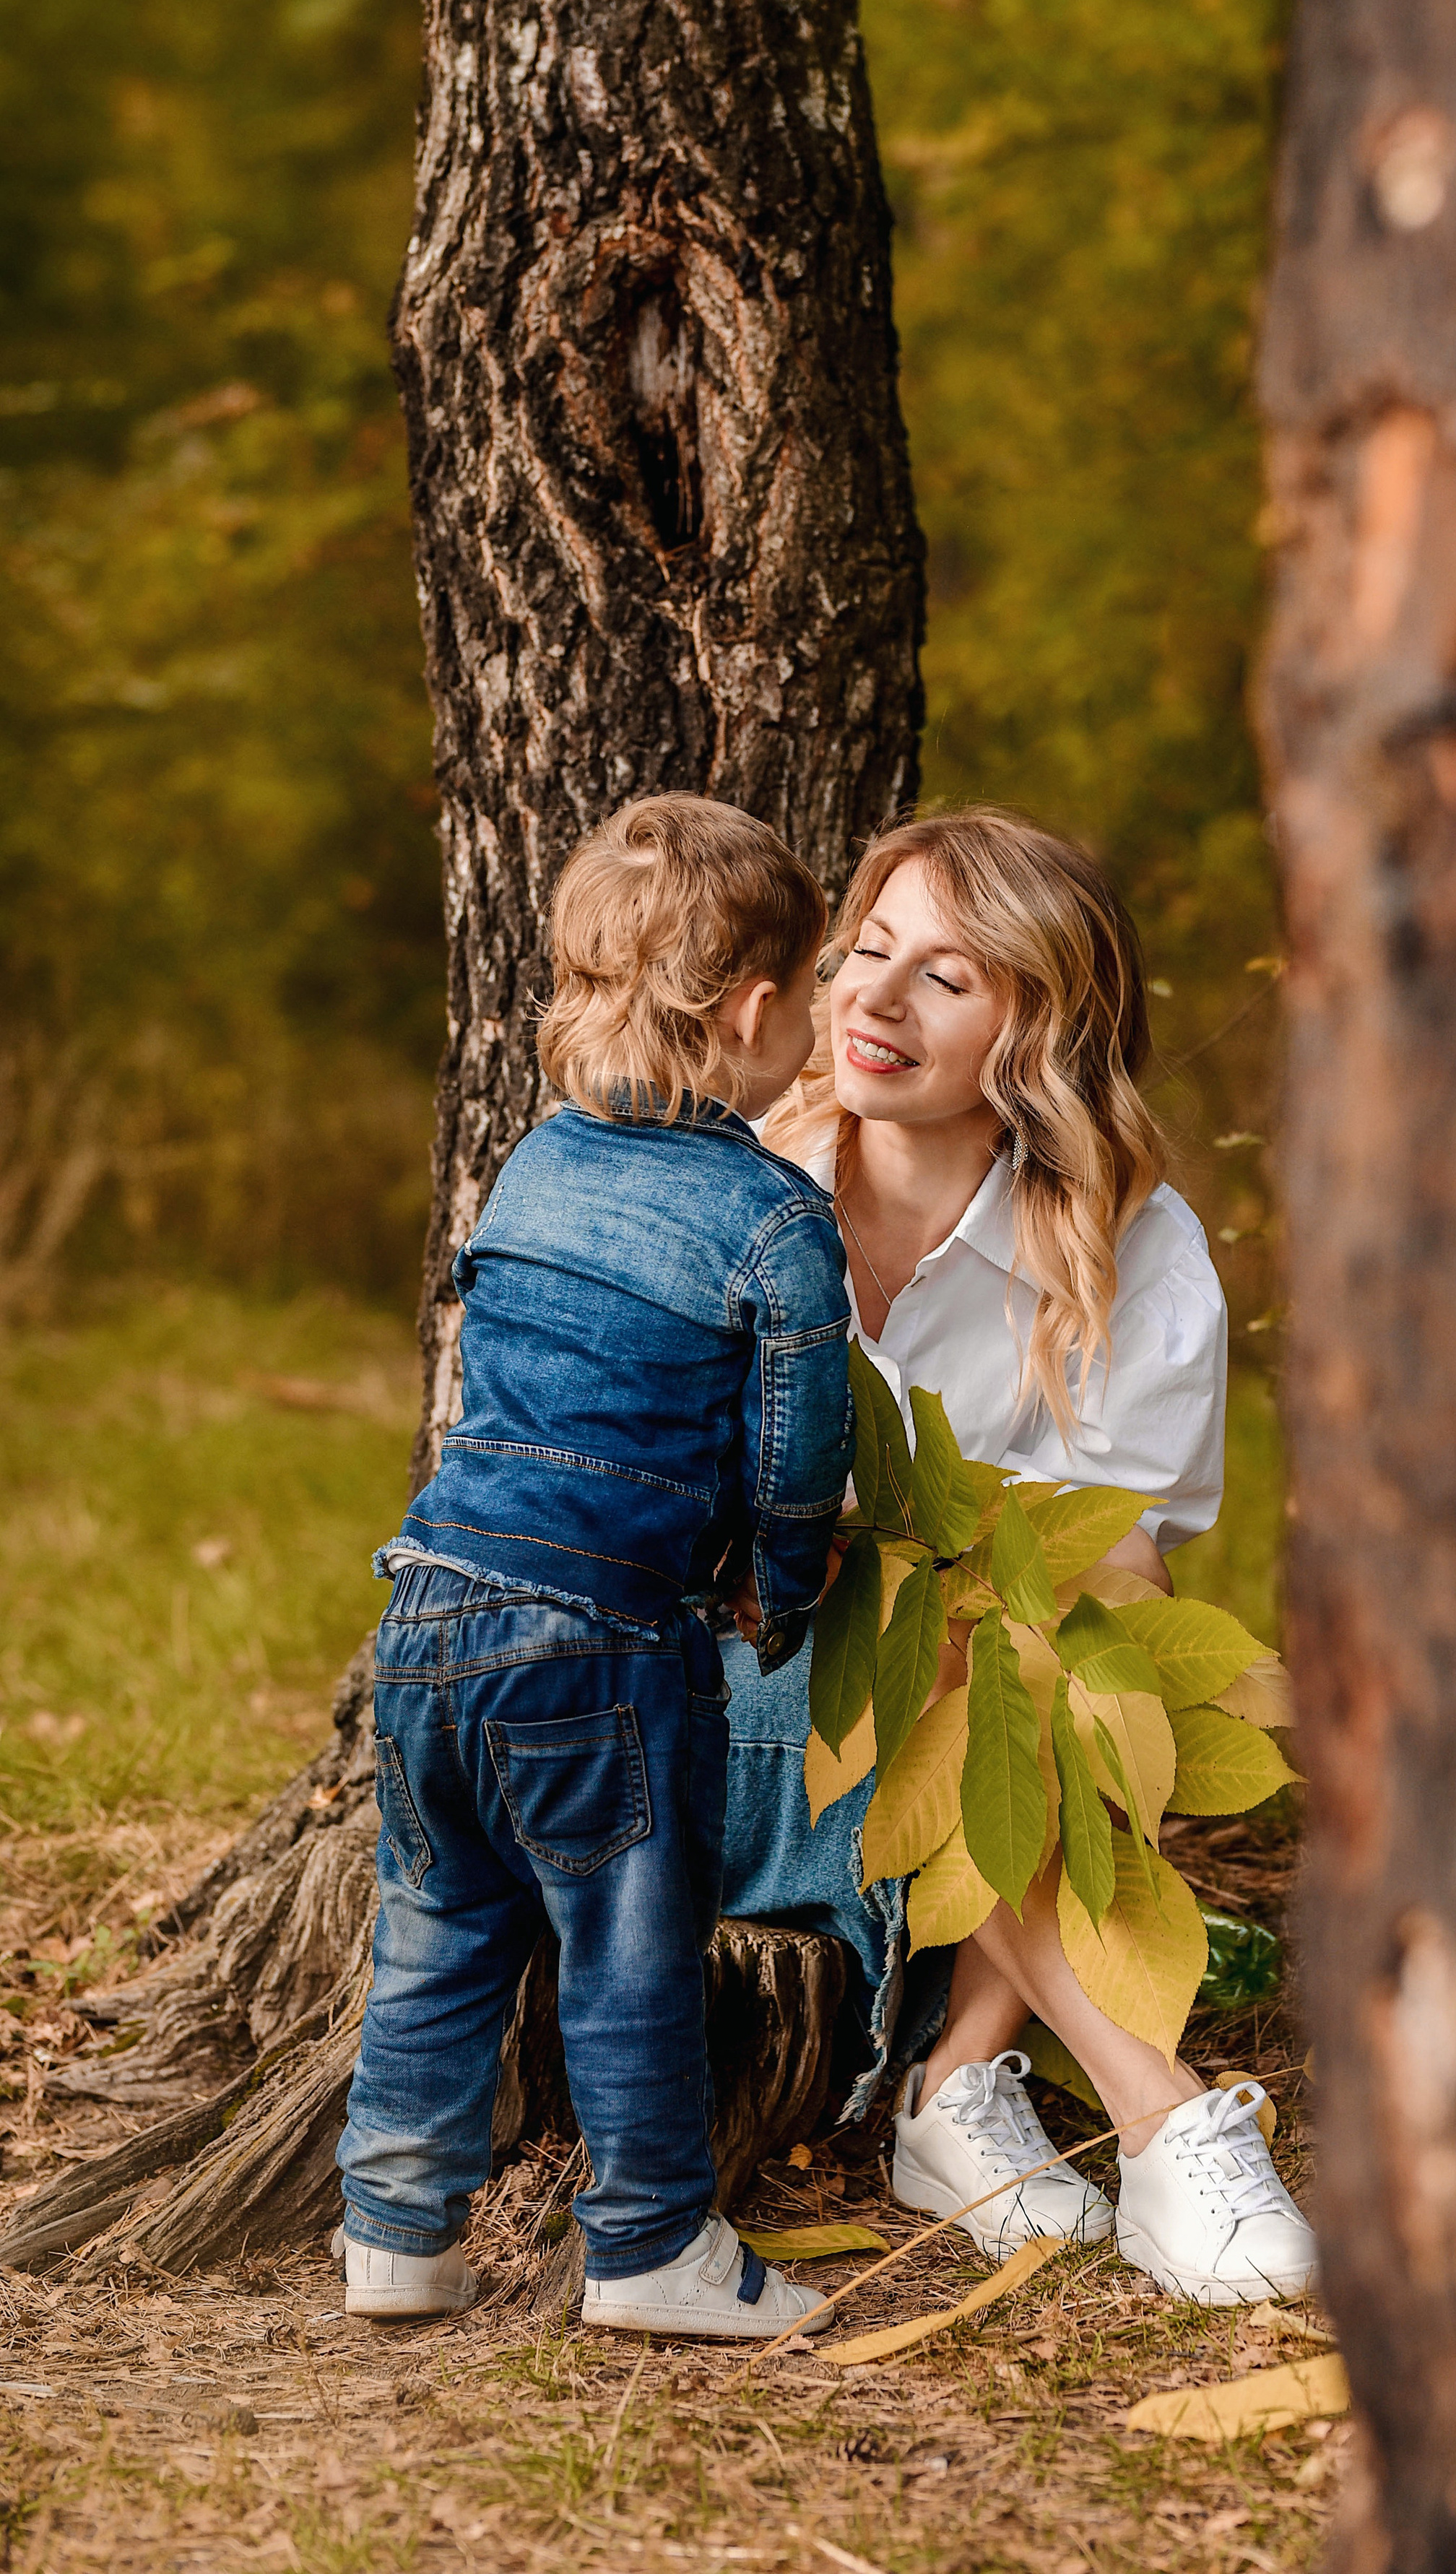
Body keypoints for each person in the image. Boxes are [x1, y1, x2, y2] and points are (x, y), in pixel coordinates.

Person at [722, 810, 1317, 2304]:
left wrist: (988, 1624)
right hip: (735, 1705)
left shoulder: (1131, 1244)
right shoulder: (736, 1179)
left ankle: (955, 2078)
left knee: (1055, 1640)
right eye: (867, 951)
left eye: (946, 976)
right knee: (924, 1606)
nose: (871, 998)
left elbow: (1120, 1571)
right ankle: (1159, 2109)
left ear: (1036, 1027)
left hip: (971, 1726)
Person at [335, 797, 854, 2340]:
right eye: (810, 997)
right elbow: (794, 1453)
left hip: (427, 1606)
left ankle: (394, 2228)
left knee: (435, 1930)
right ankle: (645, 2247)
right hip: (599, 1644)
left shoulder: (533, 1166)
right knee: (627, 1950)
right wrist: (783, 1576)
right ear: (757, 1012)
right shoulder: (771, 1218)